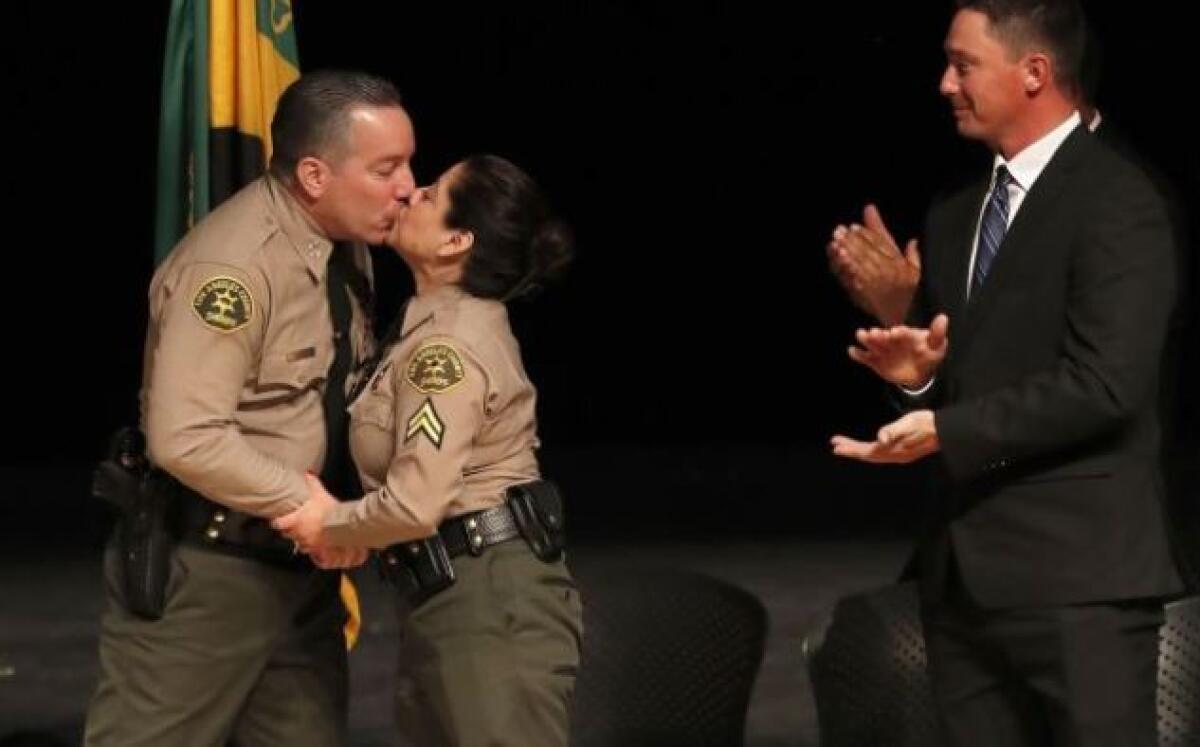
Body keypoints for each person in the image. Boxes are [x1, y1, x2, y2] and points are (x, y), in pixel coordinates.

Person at [830, 2, 1182, 745]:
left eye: (963, 65)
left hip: (1080, 587)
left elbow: (1107, 384)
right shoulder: (958, 211)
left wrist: (944, 427)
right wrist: (917, 376)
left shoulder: (1117, 199)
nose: (944, 84)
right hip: (965, 582)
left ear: (1034, 72)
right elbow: (961, 384)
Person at [84, 70, 416, 746]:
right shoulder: (233, 271)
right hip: (207, 575)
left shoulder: (343, 246)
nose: (408, 186)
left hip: (299, 574)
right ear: (316, 175)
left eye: (407, 163)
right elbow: (184, 435)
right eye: (386, 168)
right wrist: (309, 504)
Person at [274, 154, 583, 746]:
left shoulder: (448, 349)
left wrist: (330, 525)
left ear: (457, 241)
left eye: (431, 195)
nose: (410, 192)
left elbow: (416, 504)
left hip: (487, 606)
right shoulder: (422, 327)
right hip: (451, 596)